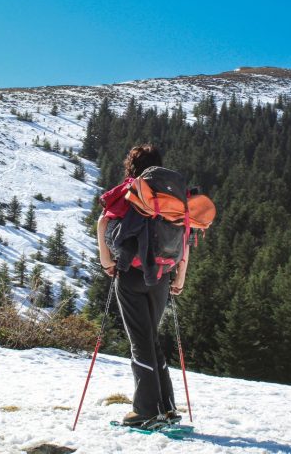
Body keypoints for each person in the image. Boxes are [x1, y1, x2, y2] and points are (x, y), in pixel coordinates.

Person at [97, 144, 187, 427]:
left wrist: (107, 262)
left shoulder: (131, 191)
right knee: (151, 339)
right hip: (161, 276)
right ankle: (167, 406)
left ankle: (145, 410)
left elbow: (103, 223)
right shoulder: (169, 196)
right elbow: (184, 235)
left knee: (140, 342)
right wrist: (180, 276)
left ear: (131, 168)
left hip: (132, 276)